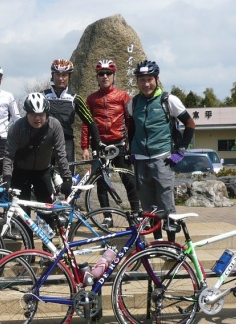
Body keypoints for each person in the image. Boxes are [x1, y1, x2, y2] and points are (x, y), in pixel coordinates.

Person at [125, 60, 197, 241]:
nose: (146, 84)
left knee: (166, 205)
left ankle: (171, 243)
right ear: (137, 81)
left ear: (157, 79)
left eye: (149, 79)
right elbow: (131, 129)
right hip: (140, 160)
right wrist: (131, 150)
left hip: (162, 158)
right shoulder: (133, 103)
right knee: (148, 206)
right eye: (141, 80)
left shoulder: (168, 100)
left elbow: (190, 124)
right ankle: (157, 241)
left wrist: (181, 150)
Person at [82, 59, 140, 211]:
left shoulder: (123, 96)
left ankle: (136, 212)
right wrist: (85, 147)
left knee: (128, 180)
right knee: (101, 182)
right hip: (99, 145)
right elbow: (86, 123)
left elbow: (130, 121)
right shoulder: (91, 98)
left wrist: (132, 144)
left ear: (114, 76)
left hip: (119, 144)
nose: (105, 76)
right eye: (101, 74)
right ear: (97, 77)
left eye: (108, 73)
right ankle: (107, 215)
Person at [1, 92, 72, 204]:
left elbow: (61, 154)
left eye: (41, 114)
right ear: (27, 114)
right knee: (21, 216)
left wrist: (67, 178)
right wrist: (7, 178)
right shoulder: (17, 127)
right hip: (21, 172)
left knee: (48, 213)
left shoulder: (54, 126)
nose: (37, 118)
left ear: (47, 114)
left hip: (43, 172)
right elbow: (9, 155)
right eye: (33, 114)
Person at [44, 59, 97, 165]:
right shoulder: (43, 96)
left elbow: (90, 121)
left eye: (64, 75)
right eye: (57, 74)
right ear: (52, 76)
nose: (60, 78)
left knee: (67, 177)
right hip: (46, 142)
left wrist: (98, 141)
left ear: (69, 77)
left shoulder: (75, 98)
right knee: (44, 177)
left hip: (66, 141)